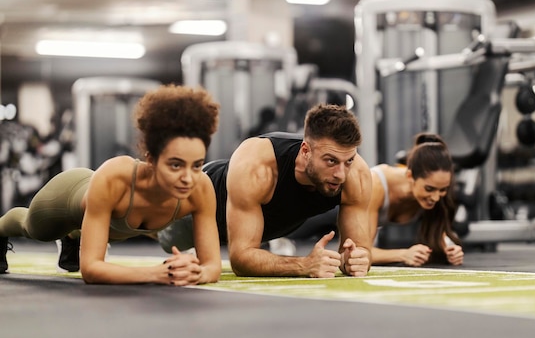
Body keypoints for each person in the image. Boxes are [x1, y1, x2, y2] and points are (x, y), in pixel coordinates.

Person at [0, 84, 222, 285]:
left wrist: (197, 273)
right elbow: (91, 269)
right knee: (32, 228)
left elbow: (212, 265)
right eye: (175, 165)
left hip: (105, 219)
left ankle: (74, 236)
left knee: (102, 226)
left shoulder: (200, 188)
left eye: (197, 165)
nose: (188, 178)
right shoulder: (115, 178)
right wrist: (157, 274)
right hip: (67, 195)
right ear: (151, 159)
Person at [158, 103, 373, 278]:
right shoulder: (258, 166)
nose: (341, 174)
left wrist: (356, 259)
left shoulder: (356, 175)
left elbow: (358, 248)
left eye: (349, 161)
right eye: (331, 161)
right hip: (200, 200)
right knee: (157, 232)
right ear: (306, 151)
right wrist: (303, 265)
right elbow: (241, 260)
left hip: (256, 222)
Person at [369, 133, 464, 266]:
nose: (436, 197)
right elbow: (358, 252)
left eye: (442, 190)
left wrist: (451, 248)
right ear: (409, 176)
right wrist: (403, 254)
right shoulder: (375, 185)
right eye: (429, 189)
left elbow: (437, 230)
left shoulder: (436, 189)